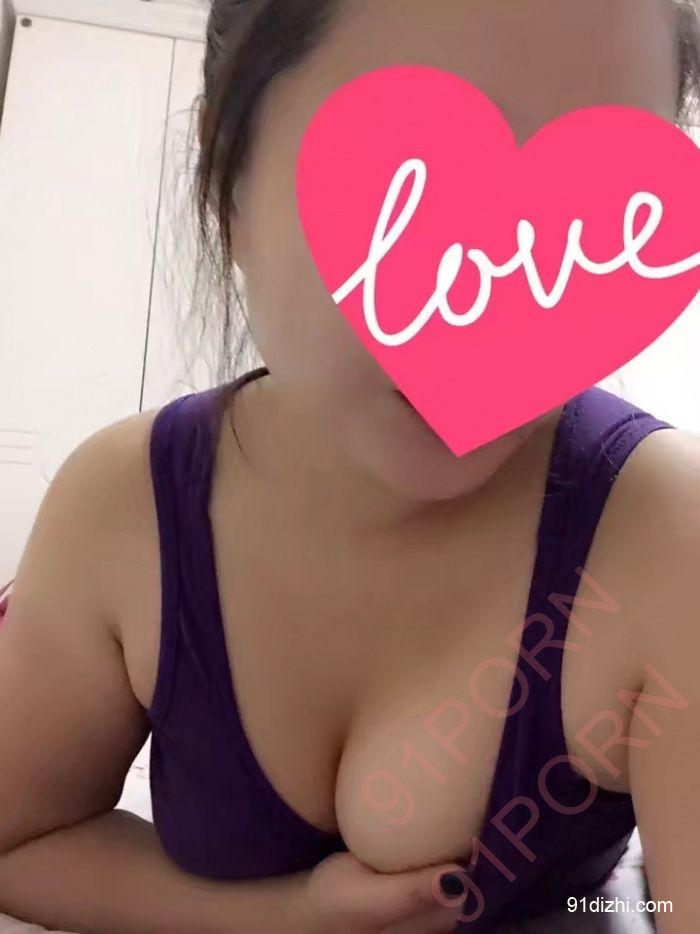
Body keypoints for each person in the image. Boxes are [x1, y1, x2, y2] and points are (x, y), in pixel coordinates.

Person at [0, 1, 699, 931]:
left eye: (594, 217)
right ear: (231, 178)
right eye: (407, 187)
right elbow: (19, 840)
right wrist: (281, 919)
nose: (487, 303)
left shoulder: (666, 542)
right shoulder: (121, 511)